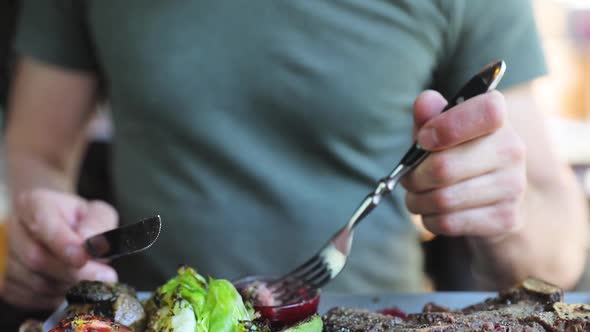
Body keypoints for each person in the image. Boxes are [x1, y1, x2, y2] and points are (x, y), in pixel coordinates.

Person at [2, 0, 589, 316]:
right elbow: (35, 151)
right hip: (157, 315)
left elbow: (560, 251)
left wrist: (501, 211)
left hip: (377, 315)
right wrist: (45, 230)